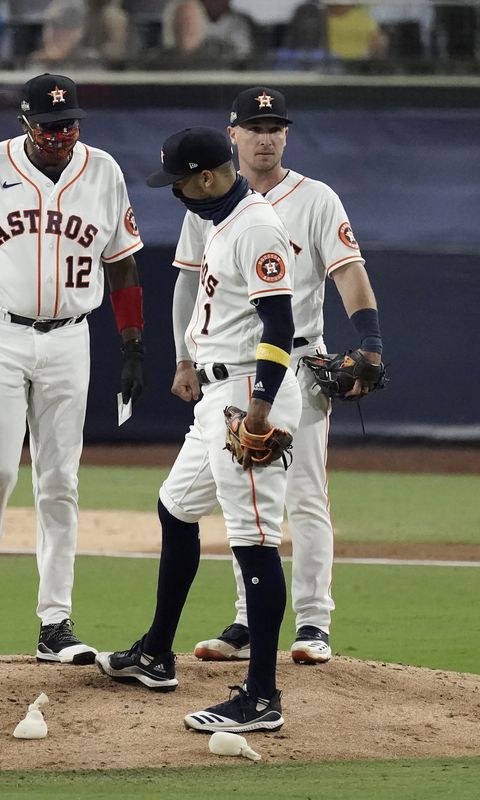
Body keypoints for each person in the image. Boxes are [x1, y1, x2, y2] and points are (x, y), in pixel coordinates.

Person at [0, 73, 145, 665]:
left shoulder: (103, 171)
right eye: (50, 125)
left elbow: (122, 266)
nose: (61, 133)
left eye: (69, 122)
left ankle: (56, 622)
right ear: (25, 123)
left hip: (71, 338)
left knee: (60, 482)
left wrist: (132, 346)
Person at [96, 126, 299, 734]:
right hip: (216, 392)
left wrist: (260, 405)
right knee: (176, 507)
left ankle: (262, 695)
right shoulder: (219, 221)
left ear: (208, 177)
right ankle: (158, 653)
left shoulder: (256, 226)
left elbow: (280, 322)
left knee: (254, 540)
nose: (176, 192)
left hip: (245, 394)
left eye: (180, 181)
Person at [190, 87, 383, 667]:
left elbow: (347, 270)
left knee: (303, 496)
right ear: (234, 135)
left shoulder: (316, 198)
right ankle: (249, 620)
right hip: (231, 369)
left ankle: (314, 623)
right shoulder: (211, 200)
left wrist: (370, 339)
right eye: (255, 126)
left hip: (297, 363)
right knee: (242, 497)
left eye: (276, 126)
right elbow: (188, 282)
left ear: (287, 135)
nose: (267, 136)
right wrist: (183, 356)